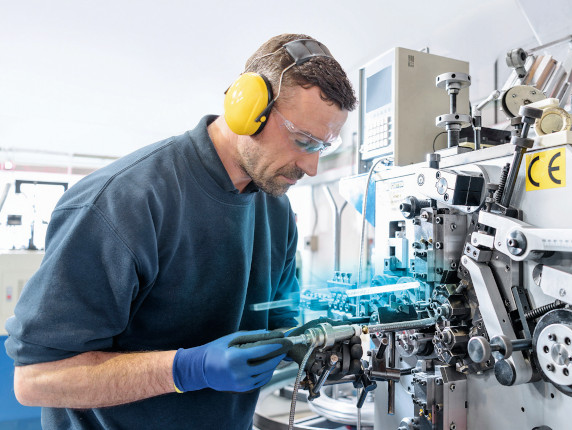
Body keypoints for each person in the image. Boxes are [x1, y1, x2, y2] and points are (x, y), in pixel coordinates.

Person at [4, 33, 357, 430]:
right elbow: (35, 380)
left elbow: (279, 318)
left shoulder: (276, 209)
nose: (311, 168)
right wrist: (186, 369)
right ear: (248, 107)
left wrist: (309, 340)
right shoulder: (123, 203)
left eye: (322, 148)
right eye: (303, 141)